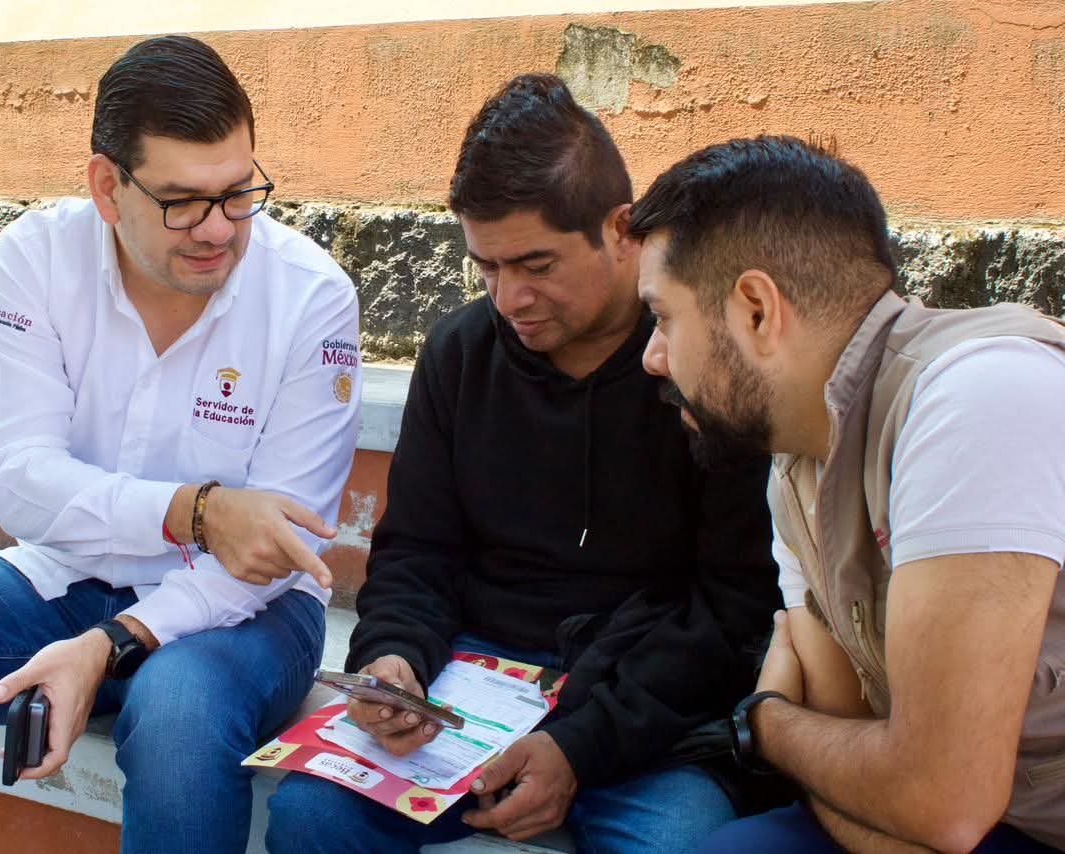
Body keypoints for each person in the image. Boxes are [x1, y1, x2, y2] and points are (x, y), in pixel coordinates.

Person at [0, 36, 361, 854]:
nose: (218, 230)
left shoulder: (310, 296)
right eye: (181, 201)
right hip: (62, 582)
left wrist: (111, 644)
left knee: (178, 712)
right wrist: (192, 511)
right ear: (106, 186)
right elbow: (17, 478)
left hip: (244, 612)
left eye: (239, 193)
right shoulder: (35, 257)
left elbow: (277, 546)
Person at [266, 74, 781, 854]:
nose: (510, 298)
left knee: (683, 845)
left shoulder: (702, 361)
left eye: (536, 265)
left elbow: (733, 610)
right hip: (472, 686)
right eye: (487, 268)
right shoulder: (461, 353)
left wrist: (580, 746)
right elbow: (417, 552)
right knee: (312, 816)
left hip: (651, 708)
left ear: (621, 230)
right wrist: (393, 660)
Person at [628, 135, 1065, 852]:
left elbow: (939, 800)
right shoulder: (795, 462)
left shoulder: (978, 397)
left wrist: (766, 721)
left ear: (756, 310)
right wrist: (881, 789)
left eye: (662, 316)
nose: (652, 357)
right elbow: (849, 762)